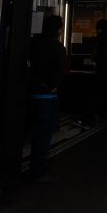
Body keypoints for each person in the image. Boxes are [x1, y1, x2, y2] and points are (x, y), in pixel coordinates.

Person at [28, 14, 66, 181]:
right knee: (43, 135)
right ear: (59, 29)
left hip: (30, 94)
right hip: (47, 97)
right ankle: (38, 171)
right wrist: (50, 86)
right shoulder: (58, 48)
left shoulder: (33, 44)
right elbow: (59, 74)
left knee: (31, 132)